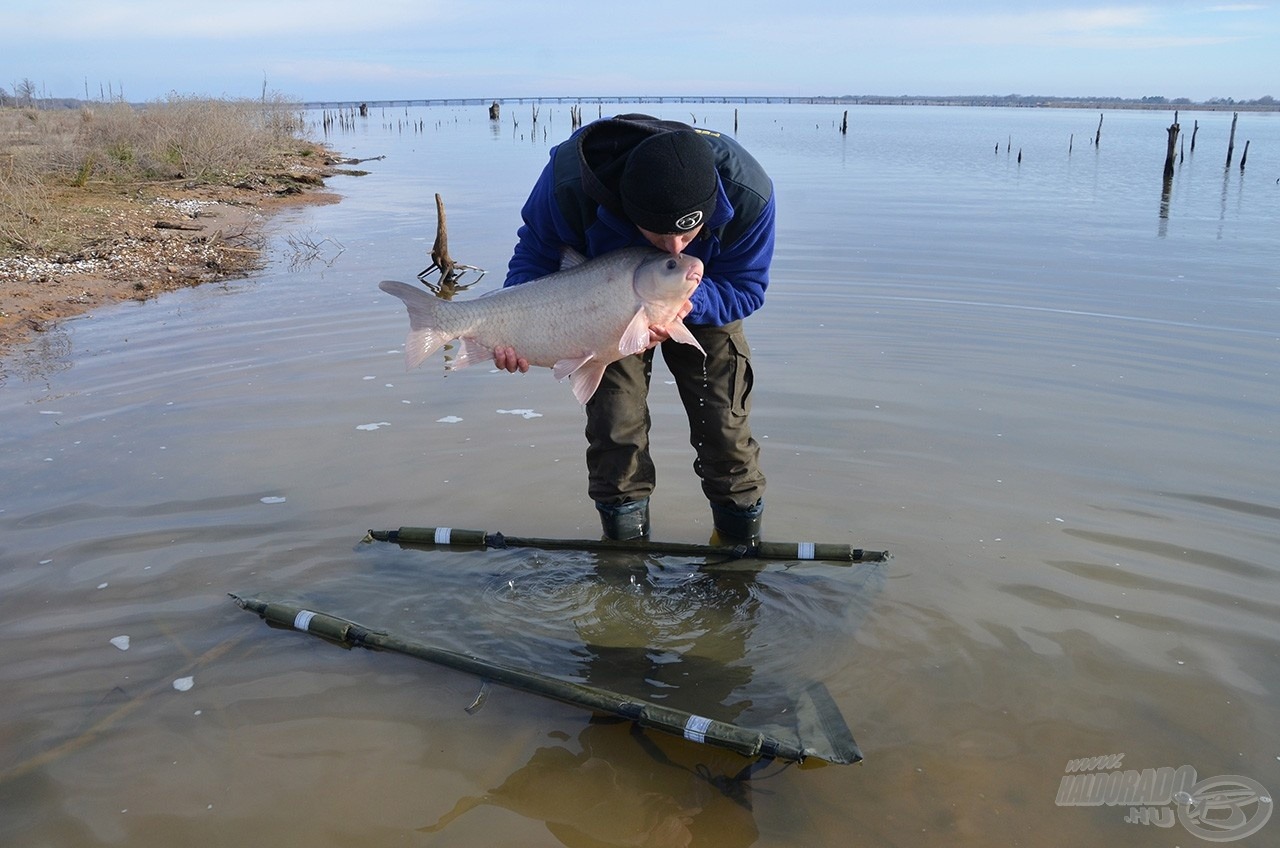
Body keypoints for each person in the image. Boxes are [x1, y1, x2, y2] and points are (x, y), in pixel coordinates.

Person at [496, 114, 774, 544]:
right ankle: (625, 563)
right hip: (599, 306)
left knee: (726, 431)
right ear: (628, 209)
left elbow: (746, 289)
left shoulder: (749, 193)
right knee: (614, 433)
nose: (677, 246)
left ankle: (738, 554)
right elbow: (534, 258)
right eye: (660, 236)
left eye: (689, 233)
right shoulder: (566, 185)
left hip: (700, 293)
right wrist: (516, 332)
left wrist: (682, 305)